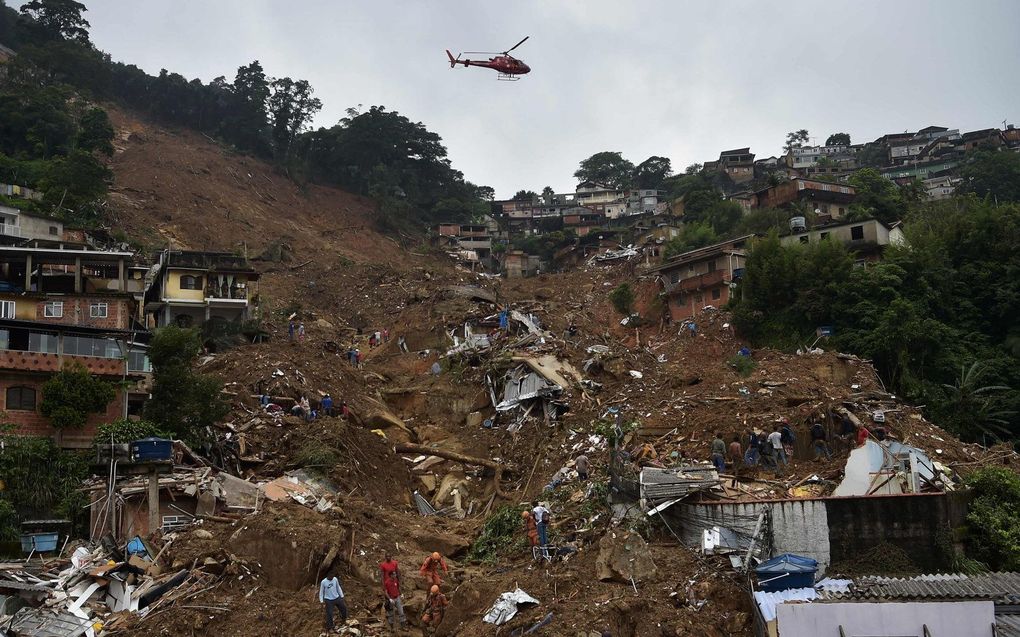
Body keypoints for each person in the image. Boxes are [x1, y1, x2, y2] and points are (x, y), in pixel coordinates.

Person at [380, 554, 407, 631]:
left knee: (401, 611)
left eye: (389, 556)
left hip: (396, 595)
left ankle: (403, 626)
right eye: (387, 557)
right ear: (385, 557)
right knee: (390, 611)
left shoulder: (395, 564)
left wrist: (401, 593)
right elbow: (382, 576)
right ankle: (391, 627)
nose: (388, 558)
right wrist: (383, 587)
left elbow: (398, 573)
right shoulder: (383, 565)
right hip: (389, 591)